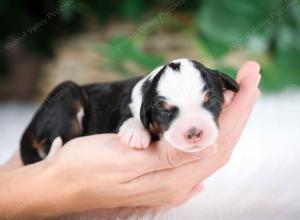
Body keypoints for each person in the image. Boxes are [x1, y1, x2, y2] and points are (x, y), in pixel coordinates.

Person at [0, 61, 261, 220]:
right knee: (67, 92)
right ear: (148, 109)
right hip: (60, 124)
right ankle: (49, 148)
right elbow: (129, 122)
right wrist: (52, 184)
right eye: (169, 112)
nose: (193, 129)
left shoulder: (176, 93)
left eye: (209, 104)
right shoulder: (140, 103)